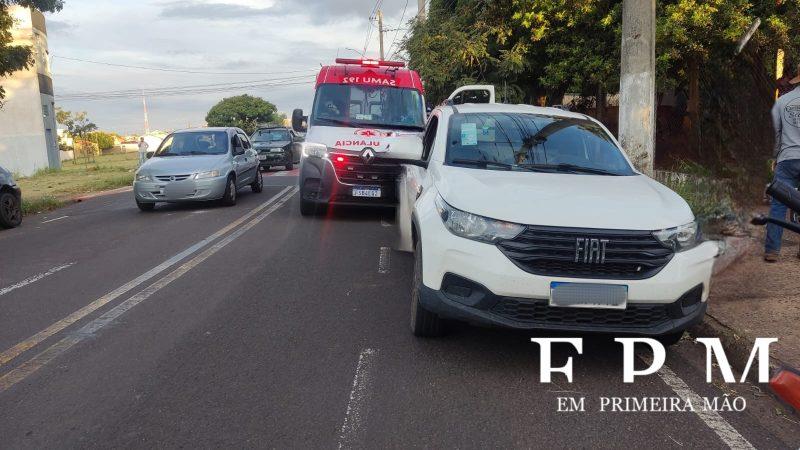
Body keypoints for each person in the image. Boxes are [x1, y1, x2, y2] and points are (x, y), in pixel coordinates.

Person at [765, 63, 800, 262]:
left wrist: (775, 158)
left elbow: (777, 134)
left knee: (779, 204)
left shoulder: (782, 101)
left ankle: (772, 250)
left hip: (787, 158)